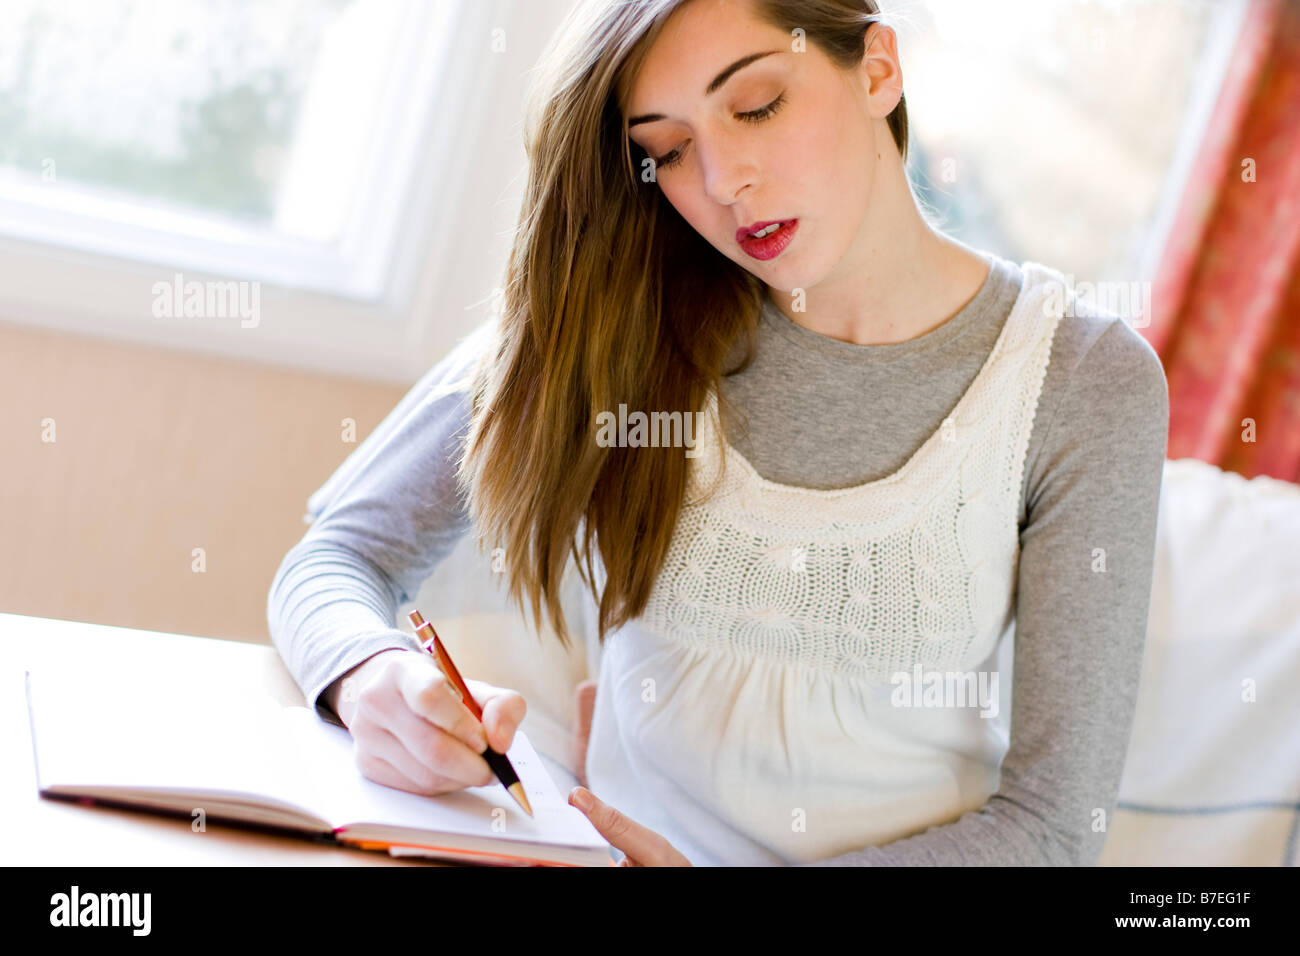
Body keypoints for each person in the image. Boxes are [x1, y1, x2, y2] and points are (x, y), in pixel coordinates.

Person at [267, 0, 1169, 867]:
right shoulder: (625, 322)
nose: (722, 182)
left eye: (757, 105)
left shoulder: (1083, 381)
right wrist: (373, 678)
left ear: (879, 70)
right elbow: (334, 559)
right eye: (667, 149)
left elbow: (1053, 828)